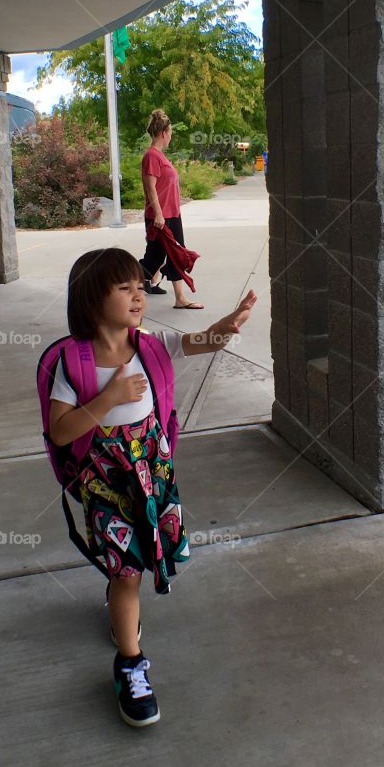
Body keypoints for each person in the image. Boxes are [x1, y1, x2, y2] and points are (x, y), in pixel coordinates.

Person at [47, 247, 256, 727]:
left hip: (152, 471)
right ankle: (130, 663)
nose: (139, 296)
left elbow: (202, 341)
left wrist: (229, 321)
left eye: (141, 287)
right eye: (125, 288)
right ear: (91, 298)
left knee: (140, 557)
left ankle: (122, 604)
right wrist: (109, 398)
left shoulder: (150, 343)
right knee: (126, 573)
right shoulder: (73, 362)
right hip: (106, 479)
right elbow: (61, 431)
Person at [138, 108, 202, 310]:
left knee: (176, 255)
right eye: (171, 134)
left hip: (172, 215)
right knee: (153, 259)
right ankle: (120, 287)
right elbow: (150, 187)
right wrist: (158, 214)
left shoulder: (161, 156)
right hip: (160, 217)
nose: (171, 137)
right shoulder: (152, 156)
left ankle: (180, 298)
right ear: (164, 133)